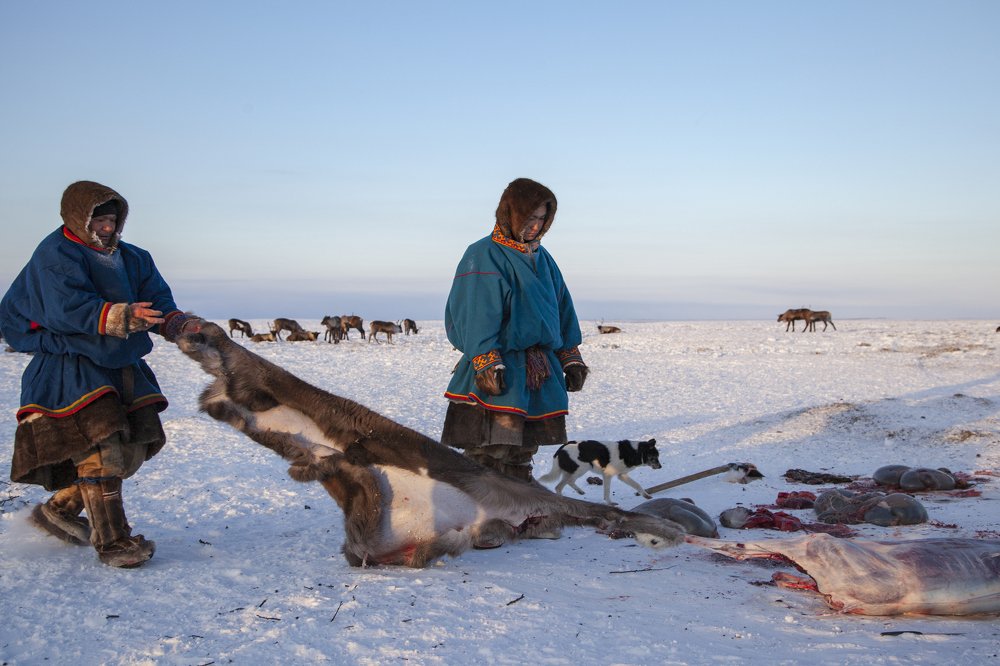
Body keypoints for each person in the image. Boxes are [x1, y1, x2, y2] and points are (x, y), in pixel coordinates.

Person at [0, 180, 204, 568]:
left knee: (132, 448)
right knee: (103, 450)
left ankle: (59, 511)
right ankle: (113, 542)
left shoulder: (133, 257)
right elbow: (65, 307)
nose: (108, 229)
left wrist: (176, 323)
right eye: (100, 221)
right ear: (79, 219)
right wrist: (120, 315)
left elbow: (157, 299)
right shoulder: (55, 254)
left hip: (121, 363)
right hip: (70, 366)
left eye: (112, 221)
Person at [442, 177, 588, 484]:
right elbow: (474, 310)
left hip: (537, 369)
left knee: (523, 448)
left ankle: (520, 502)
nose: (535, 226)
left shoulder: (543, 258)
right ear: (510, 214)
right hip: (499, 365)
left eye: (541, 219)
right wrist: (485, 359)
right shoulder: (483, 254)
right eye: (529, 218)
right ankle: (482, 509)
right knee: (489, 446)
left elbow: (561, 306)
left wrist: (570, 355)